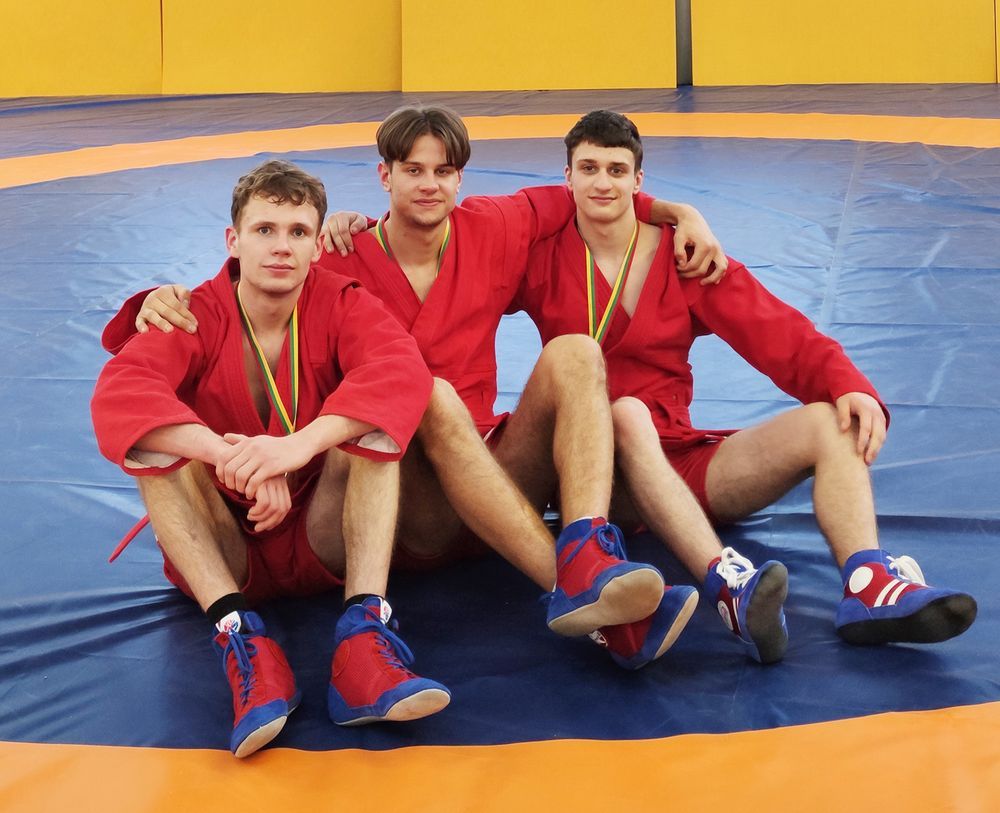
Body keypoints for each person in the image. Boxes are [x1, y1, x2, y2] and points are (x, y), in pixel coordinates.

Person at [105, 106, 731, 671]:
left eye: (443, 171)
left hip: (459, 481)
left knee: (566, 354)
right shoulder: (314, 266)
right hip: (349, 512)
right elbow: (146, 376)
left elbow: (593, 191)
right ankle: (246, 632)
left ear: (461, 180)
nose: (429, 184)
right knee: (412, 398)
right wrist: (164, 315)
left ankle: (586, 556)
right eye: (412, 170)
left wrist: (680, 213)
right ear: (385, 176)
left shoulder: (480, 232)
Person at [514, 110, 978, 662]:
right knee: (627, 413)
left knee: (831, 421)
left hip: (677, 467)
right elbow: (461, 289)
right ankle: (726, 582)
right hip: (591, 478)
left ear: (638, 180)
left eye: (616, 170)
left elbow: (777, 331)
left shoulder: (686, 255)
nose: (602, 182)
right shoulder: (539, 254)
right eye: (588, 168)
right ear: (566, 177)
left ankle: (869, 582)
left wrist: (847, 384)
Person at [91, 160, 449, 759]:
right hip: (225, 546)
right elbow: (119, 396)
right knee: (152, 445)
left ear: (317, 246)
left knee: (378, 421)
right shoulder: (189, 313)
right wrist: (231, 455)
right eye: (265, 230)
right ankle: (240, 635)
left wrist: (296, 447)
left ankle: (363, 639)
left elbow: (400, 372)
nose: (282, 247)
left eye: (298, 232)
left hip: (322, 530)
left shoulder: (343, 302)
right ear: (233, 240)